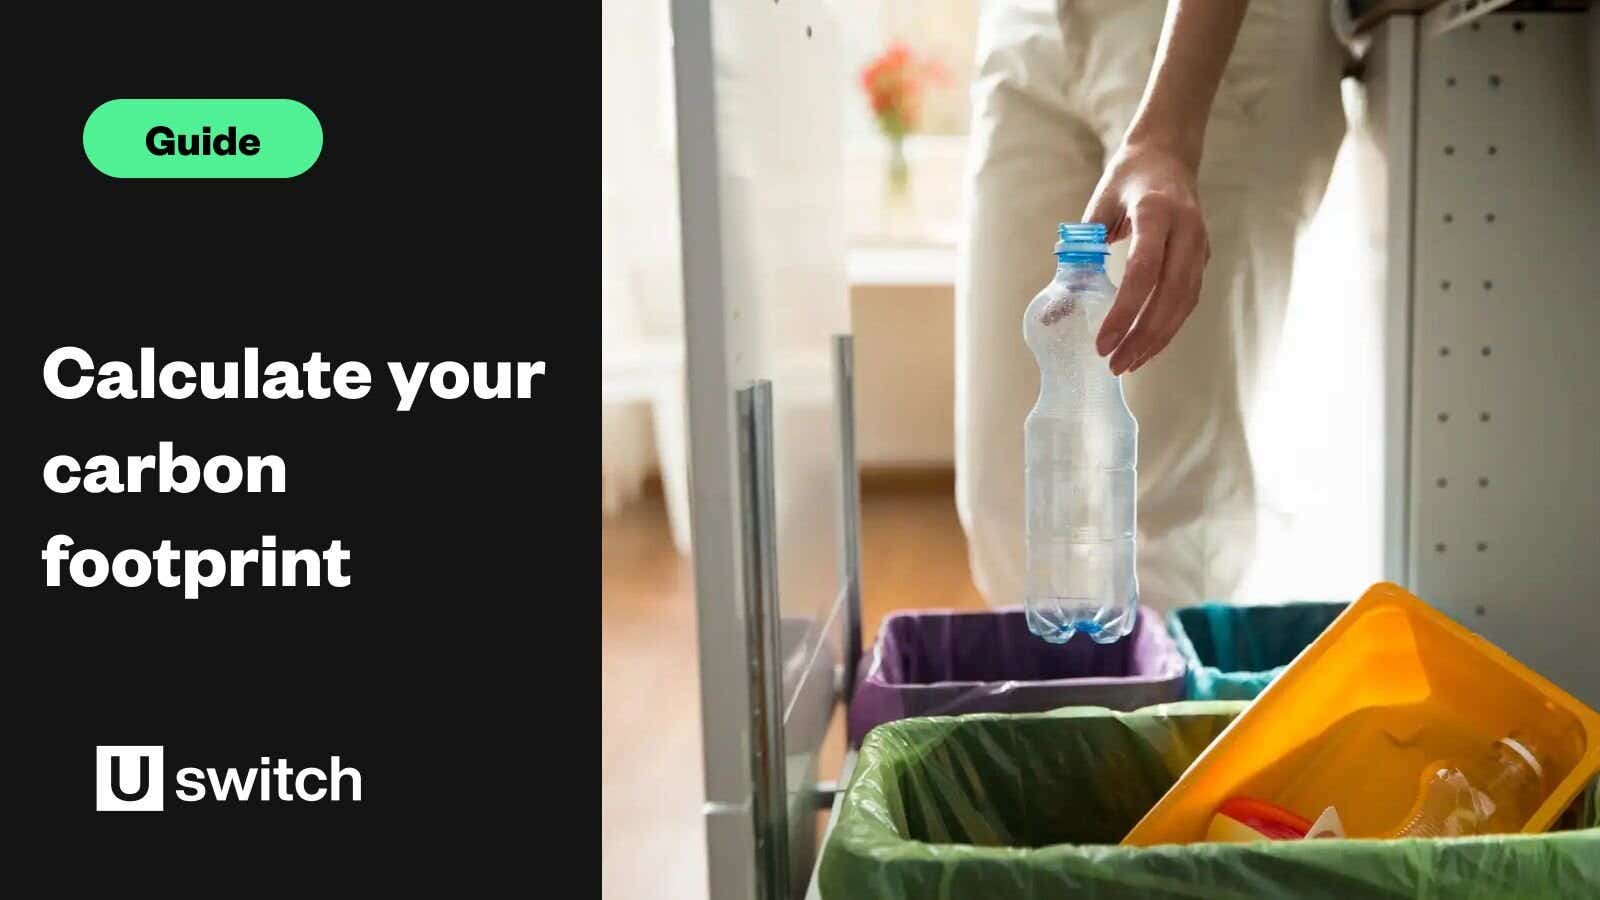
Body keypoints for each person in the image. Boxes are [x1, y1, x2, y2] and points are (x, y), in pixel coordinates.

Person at [957, 0, 1348, 613]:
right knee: (1009, 498)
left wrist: (1169, 130)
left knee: (1168, 504)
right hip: (1029, 24)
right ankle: (1060, 700)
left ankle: (1167, 704)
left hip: (1212, 38)